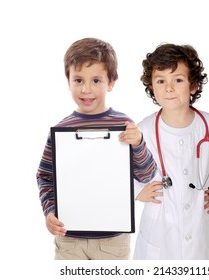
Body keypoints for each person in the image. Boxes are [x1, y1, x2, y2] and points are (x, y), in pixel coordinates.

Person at [36, 37, 156, 260]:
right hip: (69, 237)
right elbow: (45, 176)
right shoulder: (61, 129)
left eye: (96, 81)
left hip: (112, 240)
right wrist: (49, 211)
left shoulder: (125, 126)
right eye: (79, 80)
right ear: (68, 81)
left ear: (111, 82)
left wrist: (139, 144)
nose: (86, 89)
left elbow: (146, 174)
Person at [133, 43, 209, 260]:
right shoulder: (142, 130)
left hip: (199, 221)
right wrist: (137, 191)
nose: (169, 88)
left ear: (193, 86)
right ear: (151, 86)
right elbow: (124, 167)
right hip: (159, 221)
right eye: (161, 81)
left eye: (178, 80)